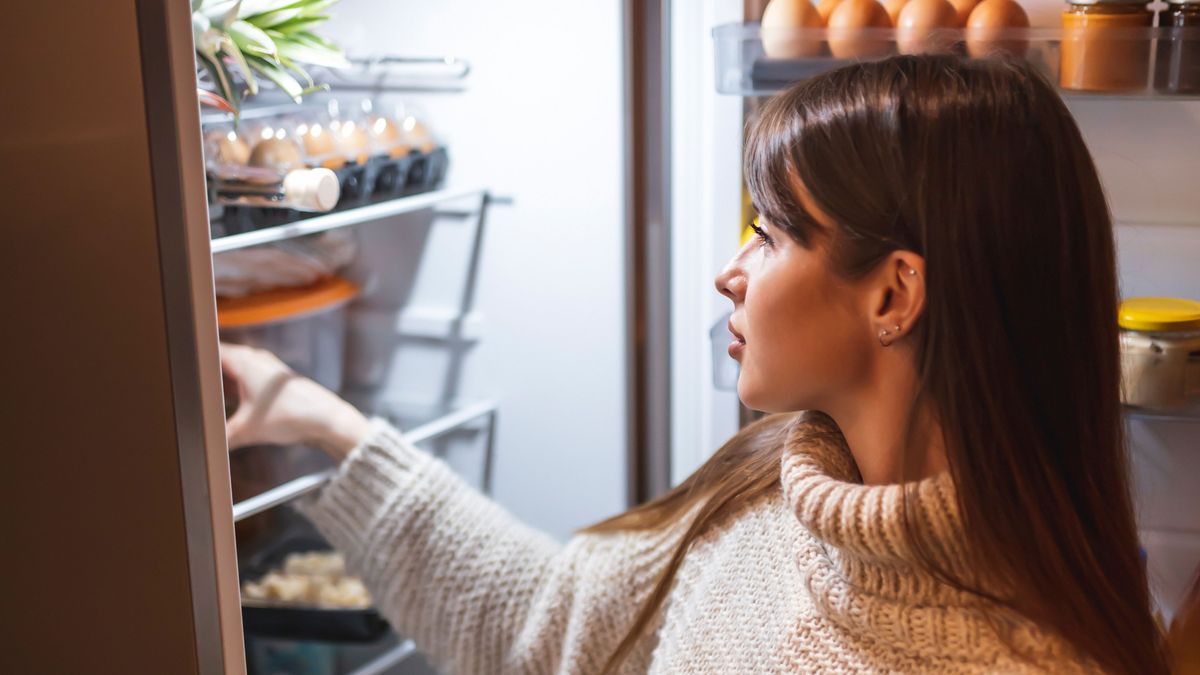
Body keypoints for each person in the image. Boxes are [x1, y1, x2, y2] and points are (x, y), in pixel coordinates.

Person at [221, 54, 1169, 674]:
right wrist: (314, 416)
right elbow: (549, 625)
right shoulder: (772, 491)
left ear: (893, 295)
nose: (731, 272)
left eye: (774, 233)